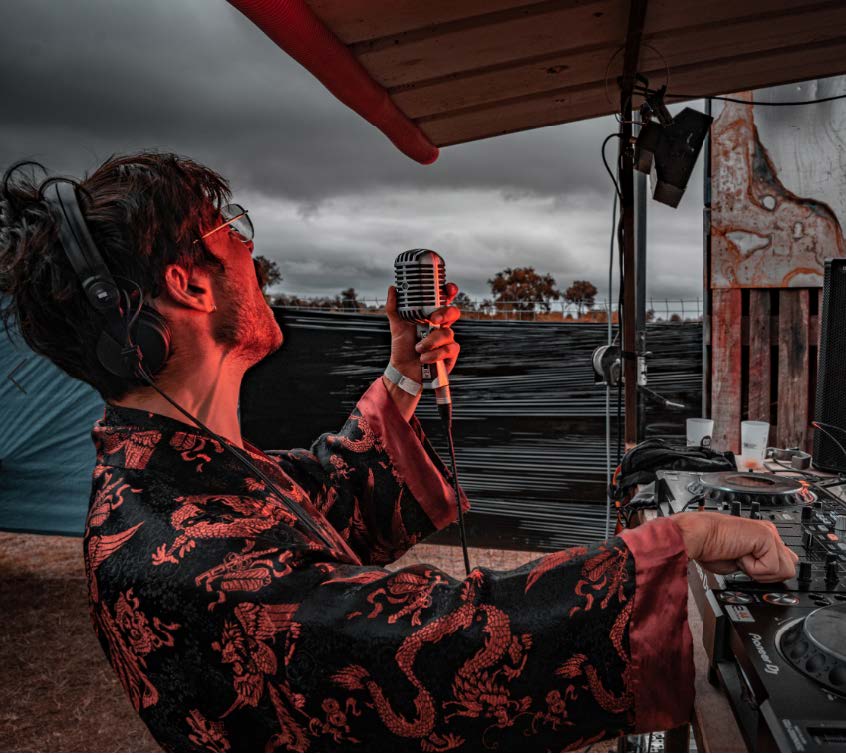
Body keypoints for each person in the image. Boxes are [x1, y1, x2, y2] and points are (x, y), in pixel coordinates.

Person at [0, 152, 797, 752]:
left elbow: (321, 492)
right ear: (190, 285)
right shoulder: (180, 559)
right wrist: (677, 543)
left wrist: (402, 372)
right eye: (231, 231)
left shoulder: (171, 475)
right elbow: (437, 644)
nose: (250, 250)